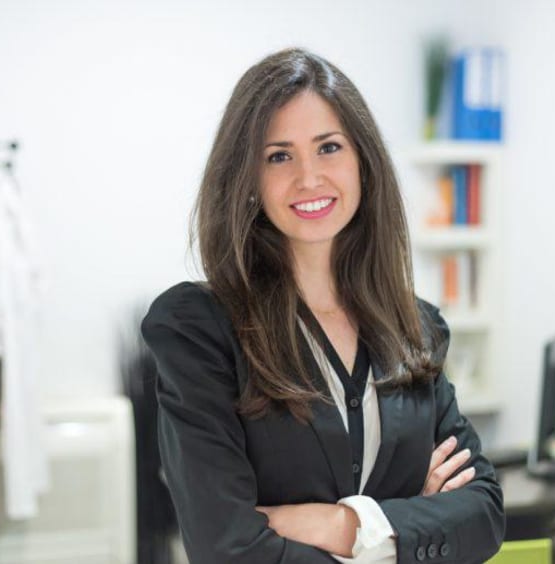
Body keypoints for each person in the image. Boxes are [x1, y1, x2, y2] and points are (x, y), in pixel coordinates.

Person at [141, 47, 504, 564]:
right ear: (248, 179)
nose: (309, 178)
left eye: (329, 147)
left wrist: (347, 524)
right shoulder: (199, 330)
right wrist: (405, 524)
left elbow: (485, 515)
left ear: (363, 162)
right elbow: (225, 547)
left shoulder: (416, 329)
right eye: (279, 156)